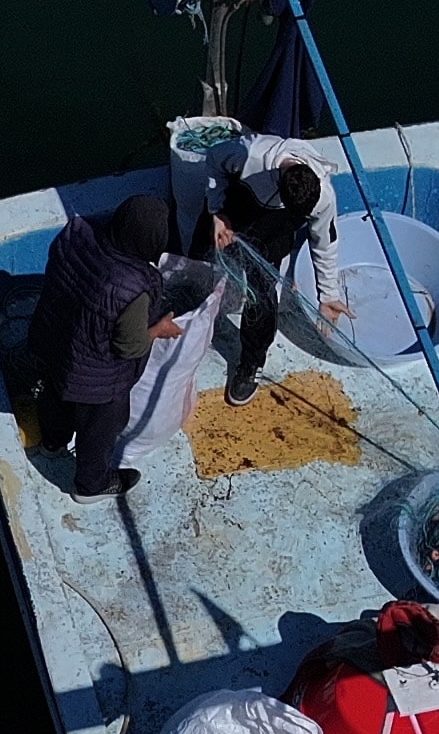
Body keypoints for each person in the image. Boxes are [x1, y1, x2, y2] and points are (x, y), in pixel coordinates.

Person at [34, 192, 185, 501]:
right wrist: (159, 329)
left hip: (54, 342)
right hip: (97, 380)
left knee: (56, 396)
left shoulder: (75, 233)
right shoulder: (133, 288)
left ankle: (52, 442)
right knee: (99, 429)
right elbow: (131, 347)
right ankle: (92, 485)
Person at [205, 134, 350, 405]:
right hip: (239, 208)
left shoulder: (324, 196)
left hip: (275, 233)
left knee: (261, 296)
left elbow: (325, 241)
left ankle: (251, 362)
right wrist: (218, 212)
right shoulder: (249, 156)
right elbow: (214, 158)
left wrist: (328, 294)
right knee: (207, 254)